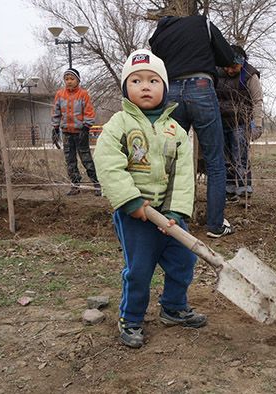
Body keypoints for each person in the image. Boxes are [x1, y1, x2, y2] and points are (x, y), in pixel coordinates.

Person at [95, 49, 205, 349]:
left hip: (168, 215)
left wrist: (177, 212)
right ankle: (131, 318)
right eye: (137, 80)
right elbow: (107, 163)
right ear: (125, 88)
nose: (146, 86)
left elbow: (183, 173)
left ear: (165, 87)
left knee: (184, 260)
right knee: (140, 269)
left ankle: (173, 307)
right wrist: (131, 202)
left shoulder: (176, 130)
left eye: (153, 80)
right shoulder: (119, 124)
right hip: (134, 215)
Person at [149, 14, 236, 238]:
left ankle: (168, 218)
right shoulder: (201, 22)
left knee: (171, 160)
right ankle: (215, 225)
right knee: (215, 161)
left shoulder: (159, 35)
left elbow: (154, 65)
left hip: (171, 92)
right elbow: (227, 56)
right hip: (201, 86)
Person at [216, 45, 264, 200]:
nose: (230, 70)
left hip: (241, 123)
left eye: (234, 67)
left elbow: (257, 101)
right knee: (225, 157)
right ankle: (229, 189)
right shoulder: (216, 73)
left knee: (240, 155)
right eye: (227, 66)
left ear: (242, 63)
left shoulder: (250, 76)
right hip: (220, 122)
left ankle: (244, 187)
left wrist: (257, 124)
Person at [51, 68, 100, 196]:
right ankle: (75, 185)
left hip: (81, 132)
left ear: (78, 80)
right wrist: (55, 128)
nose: (69, 81)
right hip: (66, 132)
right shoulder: (60, 95)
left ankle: (96, 184)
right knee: (70, 159)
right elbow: (56, 112)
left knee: (86, 158)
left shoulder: (83, 94)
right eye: (66, 79)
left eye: (72, 79)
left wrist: (86, 127)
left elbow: (89, 112)